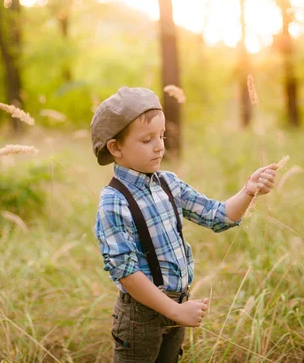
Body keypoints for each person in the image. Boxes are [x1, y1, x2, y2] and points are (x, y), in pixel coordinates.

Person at [90, 86, 277, 362]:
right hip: (141, 319)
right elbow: (126, 273)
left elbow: (218, 215)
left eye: (162, 136)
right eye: (146, 140)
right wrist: (175, 311)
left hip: (178, 307)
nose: (159, 146)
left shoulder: (169, 183)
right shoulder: (114, 201)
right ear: (115, 147)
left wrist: (248, 191)